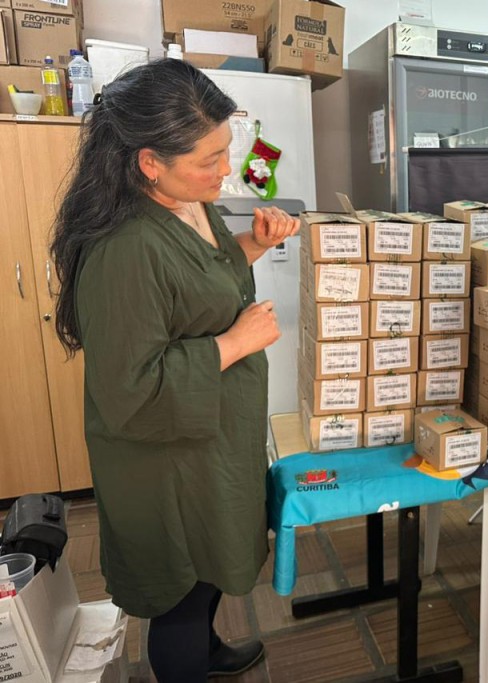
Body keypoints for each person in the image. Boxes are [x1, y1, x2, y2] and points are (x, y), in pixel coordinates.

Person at [50, 60, 299, 681]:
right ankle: (191, 660)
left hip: (210, 439)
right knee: (181, 596)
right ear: (149, 163)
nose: (226, 170)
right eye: (208, 160)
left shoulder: (189, 203)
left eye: (225, 151)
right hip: (167, 462)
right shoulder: (124, 249)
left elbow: (193, 284)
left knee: (210, 569)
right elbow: (130, 390)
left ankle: (209, 652)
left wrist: (253, 245)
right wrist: (234, 343)